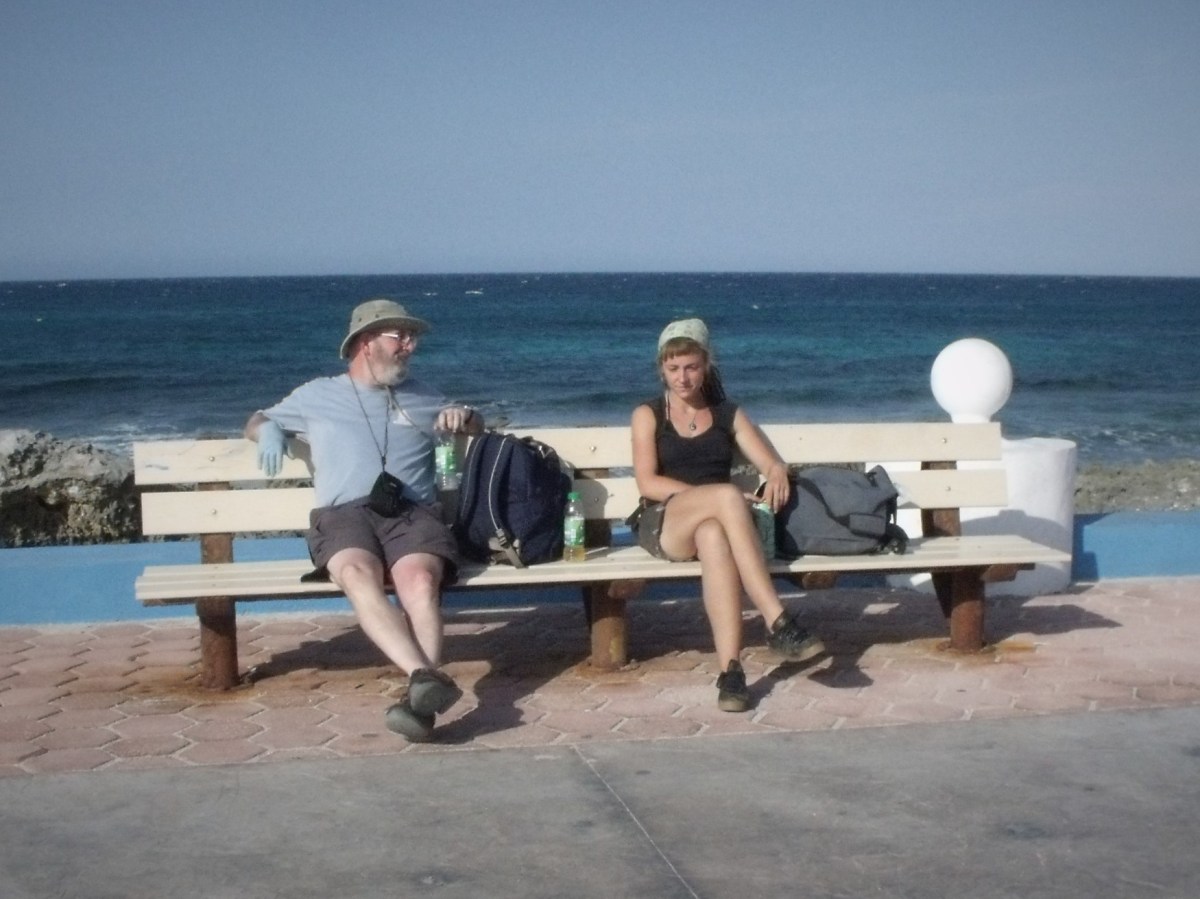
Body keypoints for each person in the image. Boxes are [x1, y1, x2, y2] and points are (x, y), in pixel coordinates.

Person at [245, 298, 483, 742]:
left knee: (420, 581)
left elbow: (476, 424)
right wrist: (268, 430)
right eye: (400, 337)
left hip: (412, 513)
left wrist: (465, 416)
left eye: (412, 338)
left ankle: (421, 698)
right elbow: (257, 419)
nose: (410, 346)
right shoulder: (317, 395)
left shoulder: (424, 396)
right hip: (344, 514)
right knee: (356, 572)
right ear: (366, 342)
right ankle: (423, 678)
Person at [630, 318, 826, 712]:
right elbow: (648, 483)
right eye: (673, 368)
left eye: (691, 367)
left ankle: (731, 674)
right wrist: (717, 497)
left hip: (716, 524)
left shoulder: (727, 413)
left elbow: (770, 463)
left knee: (713, 536)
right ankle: (777, 620)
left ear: (706, 365)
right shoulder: (649, 414)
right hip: (666, 521)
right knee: (725, 499)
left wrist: (775, 470)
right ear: (661, 368)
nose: (682, 378)